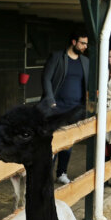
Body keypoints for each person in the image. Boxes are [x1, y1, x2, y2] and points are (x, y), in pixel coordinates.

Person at [40, 31, 90, 184]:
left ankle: (62, 172)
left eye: (86, 44)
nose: (84, 47)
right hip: (56, 108)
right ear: (74, 42)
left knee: (68, 142)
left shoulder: (86, 61)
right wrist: (51, 101)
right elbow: (46, 78)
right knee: (52, 142)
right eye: (82, 43)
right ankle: (46, 176)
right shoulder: (57, 57)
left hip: (75, 109)